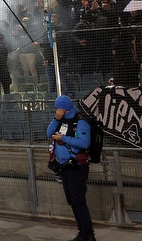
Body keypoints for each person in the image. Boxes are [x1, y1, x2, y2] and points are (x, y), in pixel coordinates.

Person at [47, 95, 95, 241]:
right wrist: (56, 119)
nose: (57, 111)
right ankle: (81, 231)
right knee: (71, 200)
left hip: (77, 166)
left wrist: (63, 139)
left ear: (64, 109)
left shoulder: (80, 122)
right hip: (64, 166)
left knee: (78, 199)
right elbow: (49, 133)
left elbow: (84, 143)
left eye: (58, 108)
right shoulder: (60, 120)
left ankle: (88, 233)